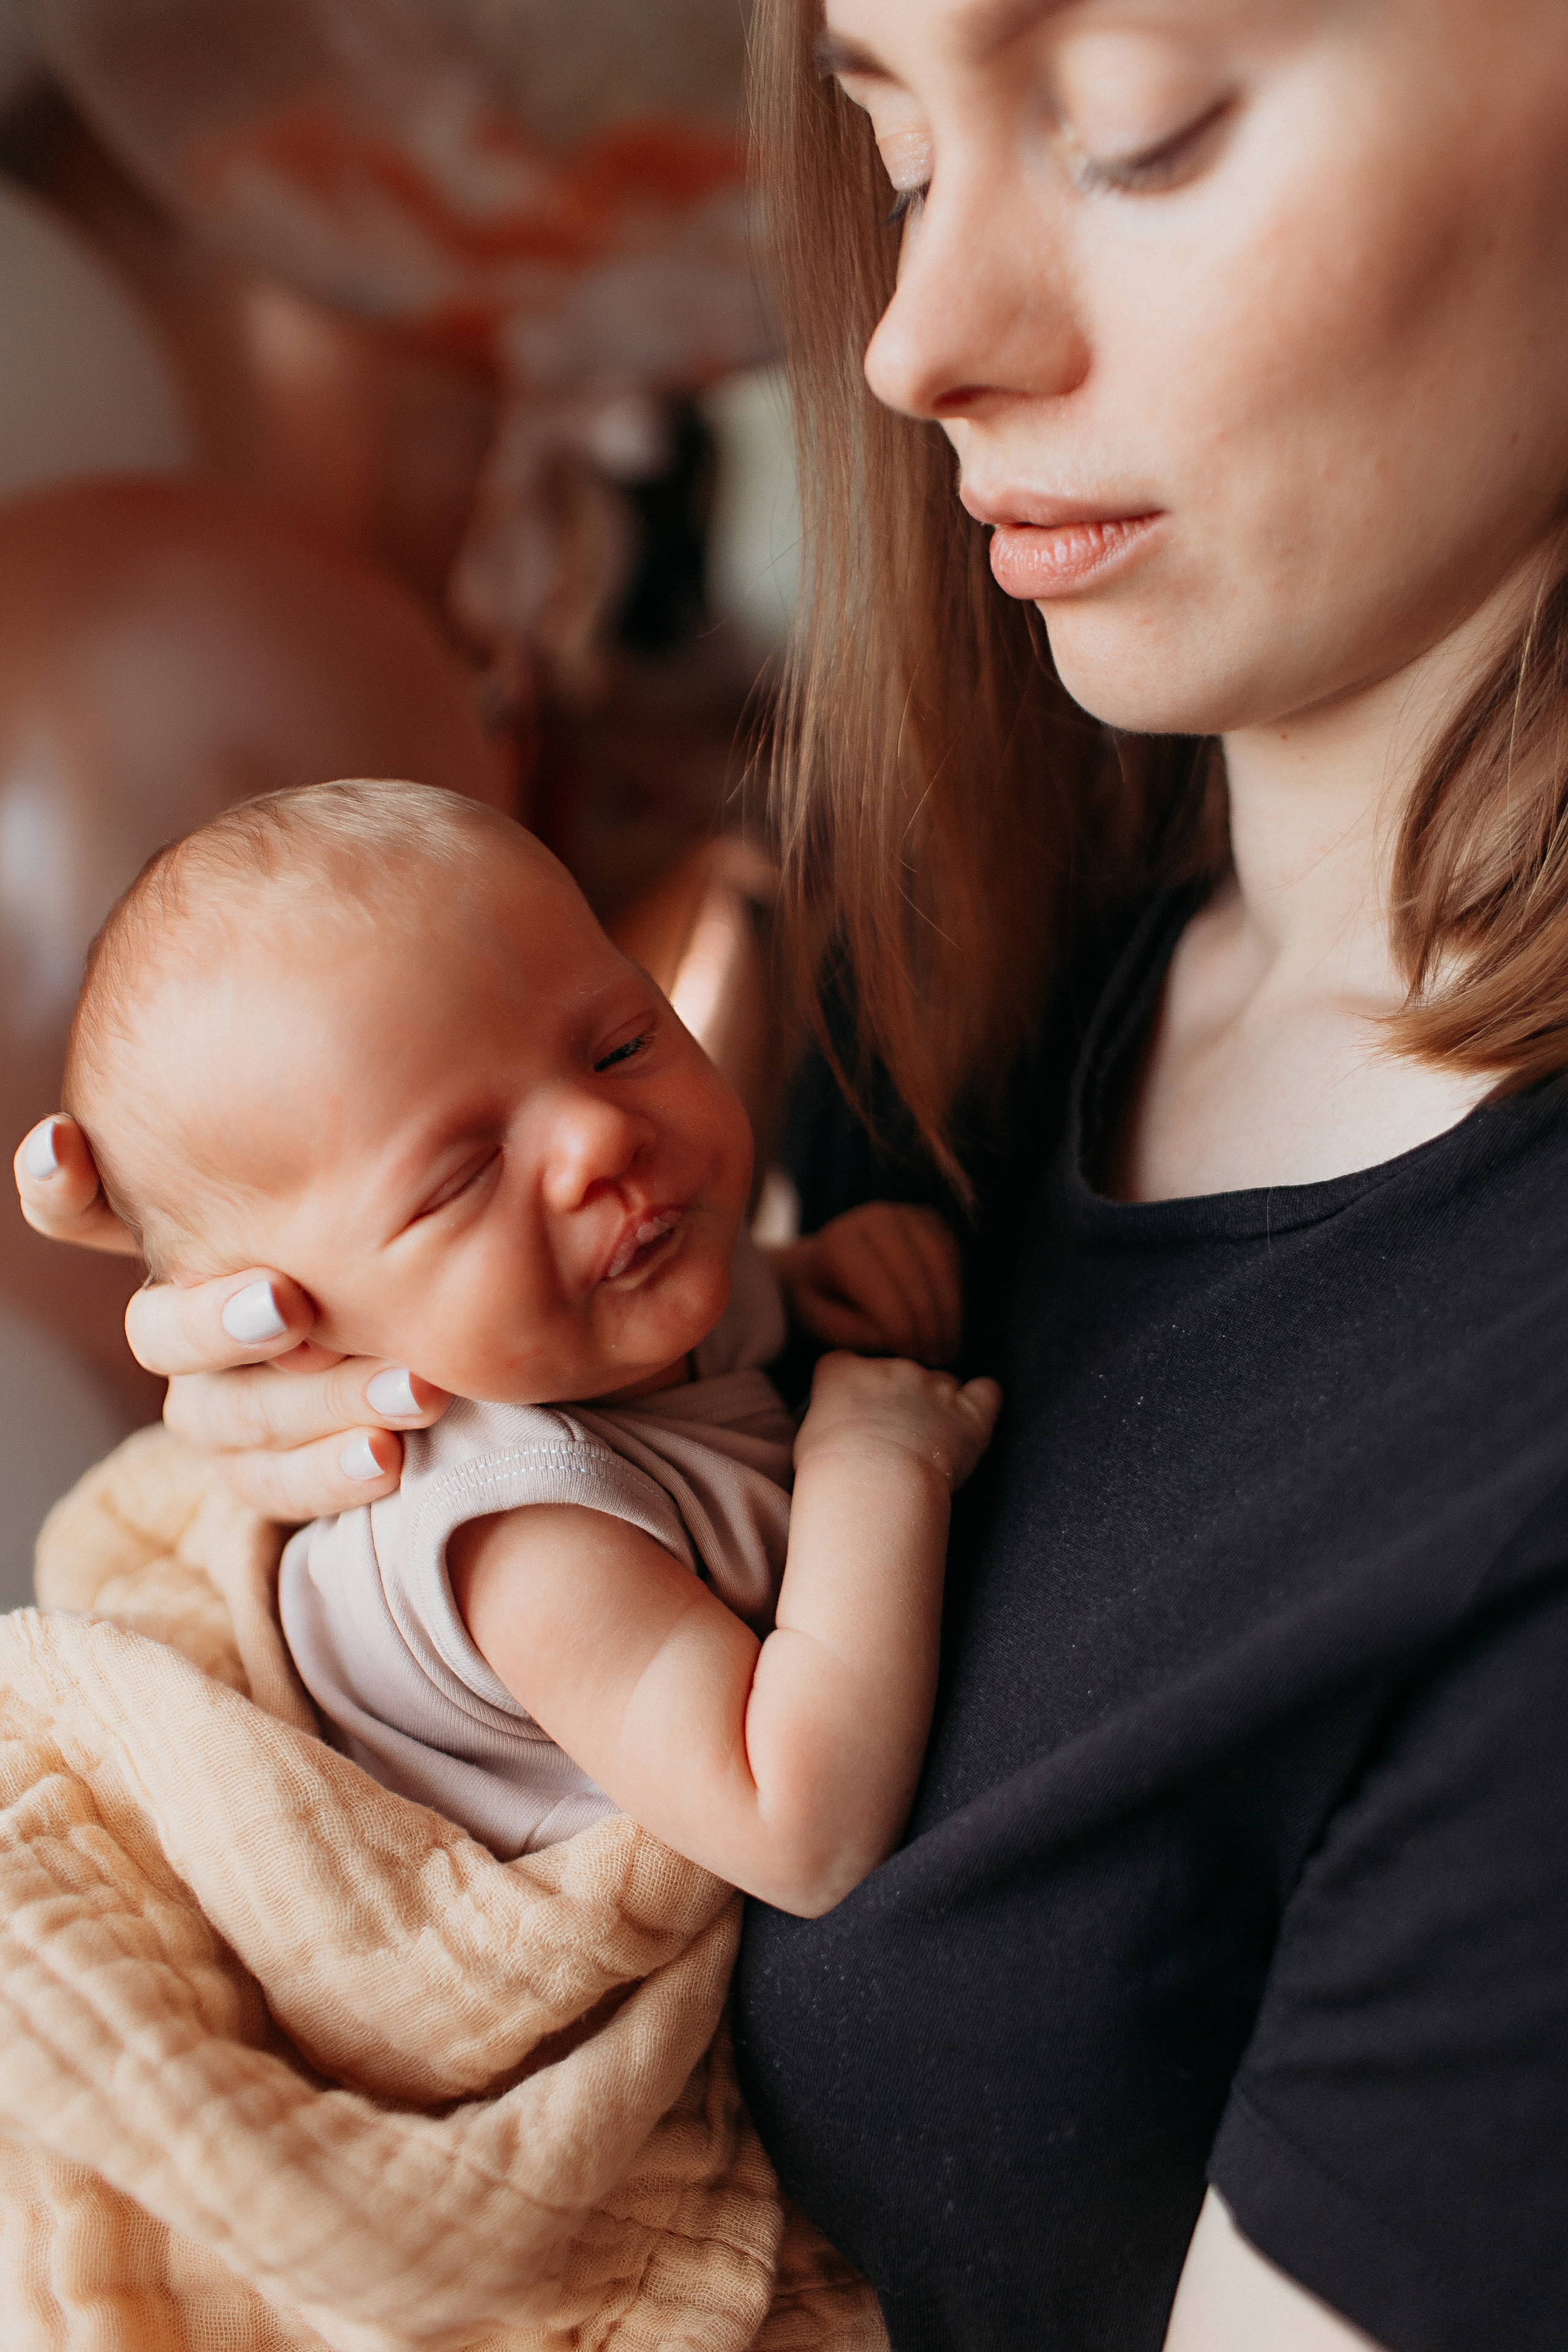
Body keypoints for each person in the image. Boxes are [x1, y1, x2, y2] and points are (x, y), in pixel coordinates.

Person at [15, 0, 1568, 2345]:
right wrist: (295, 1445)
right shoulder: (891, 952)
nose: (914, 343)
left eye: (1141, 133)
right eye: (897, 151)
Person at [55, 778, 998, 1909]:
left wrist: (803, 1282)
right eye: (461, 1175)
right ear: (300, 1335)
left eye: (621, 1044)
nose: (600, 1134)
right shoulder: (526, 1532)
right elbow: (799, 1828)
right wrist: (876, 1465)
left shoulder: (613, 1293)